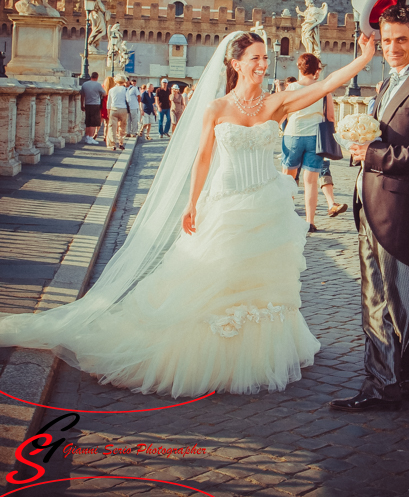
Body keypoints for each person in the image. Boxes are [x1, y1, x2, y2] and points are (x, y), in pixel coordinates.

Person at [0, 30, 374, 398]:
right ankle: (209, 353)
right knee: (217, 275)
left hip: (266, 201)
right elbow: (203, 158)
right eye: (255, 58)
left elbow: (326, 85)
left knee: (263, 281)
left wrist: (363, 59)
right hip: (227, 200)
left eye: (265, 58)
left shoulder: (276, 103)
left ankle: (254, 352)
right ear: (235, 63)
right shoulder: (216, 108)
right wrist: (192, 203)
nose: (263, 64)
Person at [329, 6, 409, 412]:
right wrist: (360, 150)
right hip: (371, 205)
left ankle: (402, 383)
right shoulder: (387, 84)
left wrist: (375, 153)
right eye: (386, 41)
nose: (393, 48)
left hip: (400, 212)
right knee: (375, 299)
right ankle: (386, 382)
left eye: (402, 39)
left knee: (403, 302)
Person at [282, 53, 335, 232]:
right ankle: (310, 221)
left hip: (293, 134)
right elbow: (330, 117)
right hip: (315, 136)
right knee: (311, 181)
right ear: (316, 70)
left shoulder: (291, 87)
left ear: (299, 68)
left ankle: (287, 217)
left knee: (289, 178)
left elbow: (284, 110)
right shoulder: (324, 88)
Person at [80, 72, 105, 145]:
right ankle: (90, 138)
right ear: (97, 77)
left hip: (87, 104)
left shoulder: (85, 84)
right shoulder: (98, 85)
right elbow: (104, 93)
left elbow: (82, 95)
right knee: (93, 123)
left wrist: (82, 105)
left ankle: (87, 137)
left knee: (88, 122)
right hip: (95, 105)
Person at [106, 75, 128, 151]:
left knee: (112, 127)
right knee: (122, 127)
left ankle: (112, 144)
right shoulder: (125, 90)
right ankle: (121, 143)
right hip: (123, 109)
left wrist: (108, 112)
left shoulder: (111, 90)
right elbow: (128, 100)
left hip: (113, 109)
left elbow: (108, 103)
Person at [99, 76, 115, 143]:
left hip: (103, 107)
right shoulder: (113, 89)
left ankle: (98, 133)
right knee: (108, 124)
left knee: (102, 122)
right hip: (110, 107)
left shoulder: (102, 87)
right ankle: (106, 136)